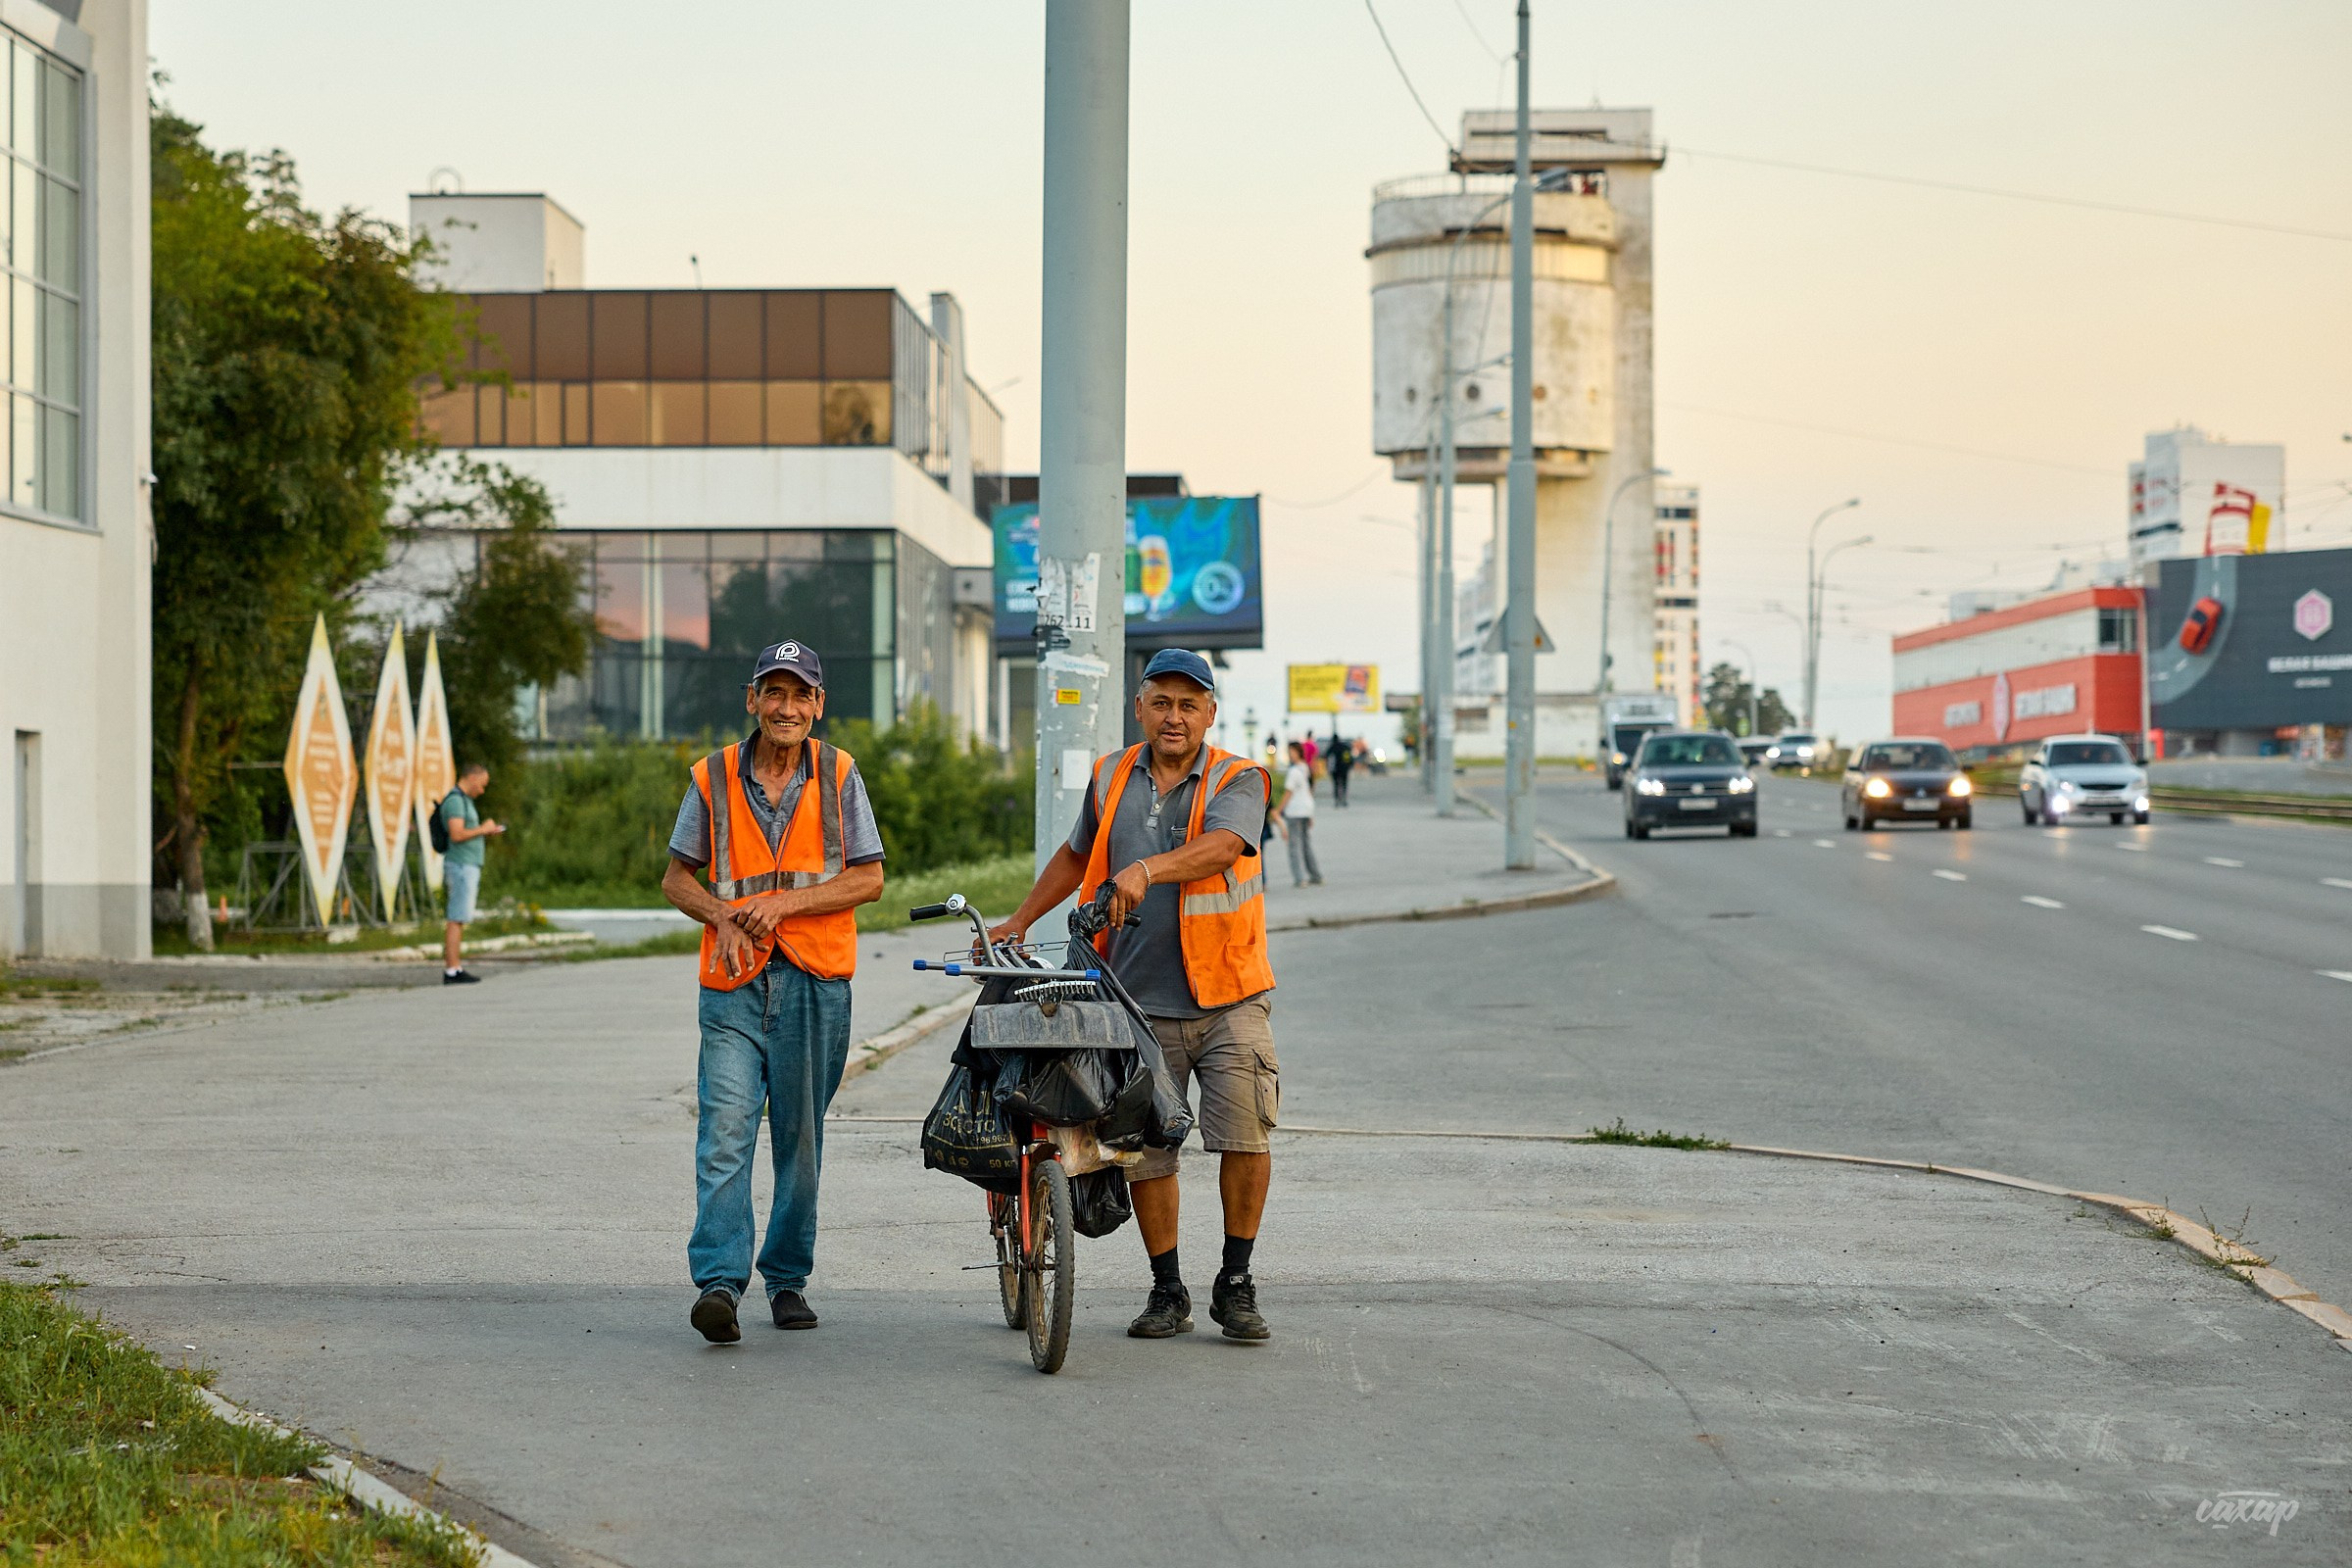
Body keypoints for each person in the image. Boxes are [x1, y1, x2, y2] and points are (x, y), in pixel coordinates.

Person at [989, 648, 1279, 1343]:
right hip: (1132, 1002)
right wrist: (1022, 919)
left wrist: (1146, 869)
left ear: (1210, 713)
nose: (1174, 716)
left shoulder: (1240, 778)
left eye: (1189, 705)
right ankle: (1167, 1288)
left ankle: (1235, 1282)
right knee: (1148, 1152)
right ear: (1140, 707)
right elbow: (1073, 855)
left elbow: (1223, 846)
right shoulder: (1111, 775)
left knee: (1243, 1137)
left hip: (1230, 996)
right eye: (1162, 702)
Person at [661, 640, 887, 1345]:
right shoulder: (713, 776)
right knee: (724, 1131)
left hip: (817, 980)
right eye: (774, 693)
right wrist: (722, 913)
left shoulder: (841, 772)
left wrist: (785, 907)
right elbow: (677, 879)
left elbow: (869, 878)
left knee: (800, 1140)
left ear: (818, 705)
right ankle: (721, 1283)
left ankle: (788, 1279)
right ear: (752, 699)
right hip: (732, 984)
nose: (786, 707)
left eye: (801, 695)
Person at [436, 763, 503, 985]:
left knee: (460, 917)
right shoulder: (455, 801)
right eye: (482, 784)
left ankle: (455, 966)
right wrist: (483, 829)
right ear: (472, 778)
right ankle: (452, 969)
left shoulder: (465, 801)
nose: (482, 790)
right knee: (456, 917)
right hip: (461, 865)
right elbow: (456, 834)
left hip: (467, 864)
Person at [1276, 741, 1322, 887]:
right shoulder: (1305, 768)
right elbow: (1308, 791)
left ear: (1298, 752)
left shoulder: (1294, 771)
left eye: (1291, 752)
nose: (1290, 755)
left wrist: (1278, 810)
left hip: (1295, 811)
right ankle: (1315, 875)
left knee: (1294, 846)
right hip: (1306, 809)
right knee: (1306, 844)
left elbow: (1288, 793)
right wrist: (1311, 813)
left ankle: (1299, 878)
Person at [1327, 727, 1353, 807]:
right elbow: (1349, 758)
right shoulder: (1344, 747)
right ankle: (1344, 799)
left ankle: (1337, 800)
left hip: (1335, 770)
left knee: (1336, 785)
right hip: (1344, 769)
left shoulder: (1332, 747)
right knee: (1344, 784)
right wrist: (1349, 766)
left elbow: (1327, 757)